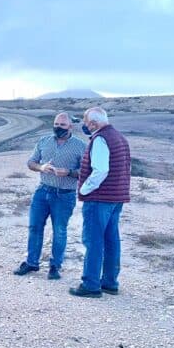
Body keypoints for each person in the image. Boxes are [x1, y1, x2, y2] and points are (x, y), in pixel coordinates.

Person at [14, 112, 86, 280]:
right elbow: (31, 162)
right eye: (56, 124)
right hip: (43, 191)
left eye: (62, 125)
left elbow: (86, 171)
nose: (58, 127)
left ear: (70, 126)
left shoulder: (81, 146)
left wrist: (69, 172)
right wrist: (41, 167)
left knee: (59, 231)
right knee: (35, 228)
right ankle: (31, 263)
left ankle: (55, 266)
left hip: (64, 195)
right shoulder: (44, 141)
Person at [69, 107, 131, 298]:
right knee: (111, 241)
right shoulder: (119, 137)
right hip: (115, 198)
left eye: (86, 122)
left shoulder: (101, 139)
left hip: (99, 199)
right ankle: (110, 283)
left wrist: (83, 189)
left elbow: (100, 170)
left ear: (94, 124)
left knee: (93, 241)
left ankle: (91, 285)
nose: (84, 126)